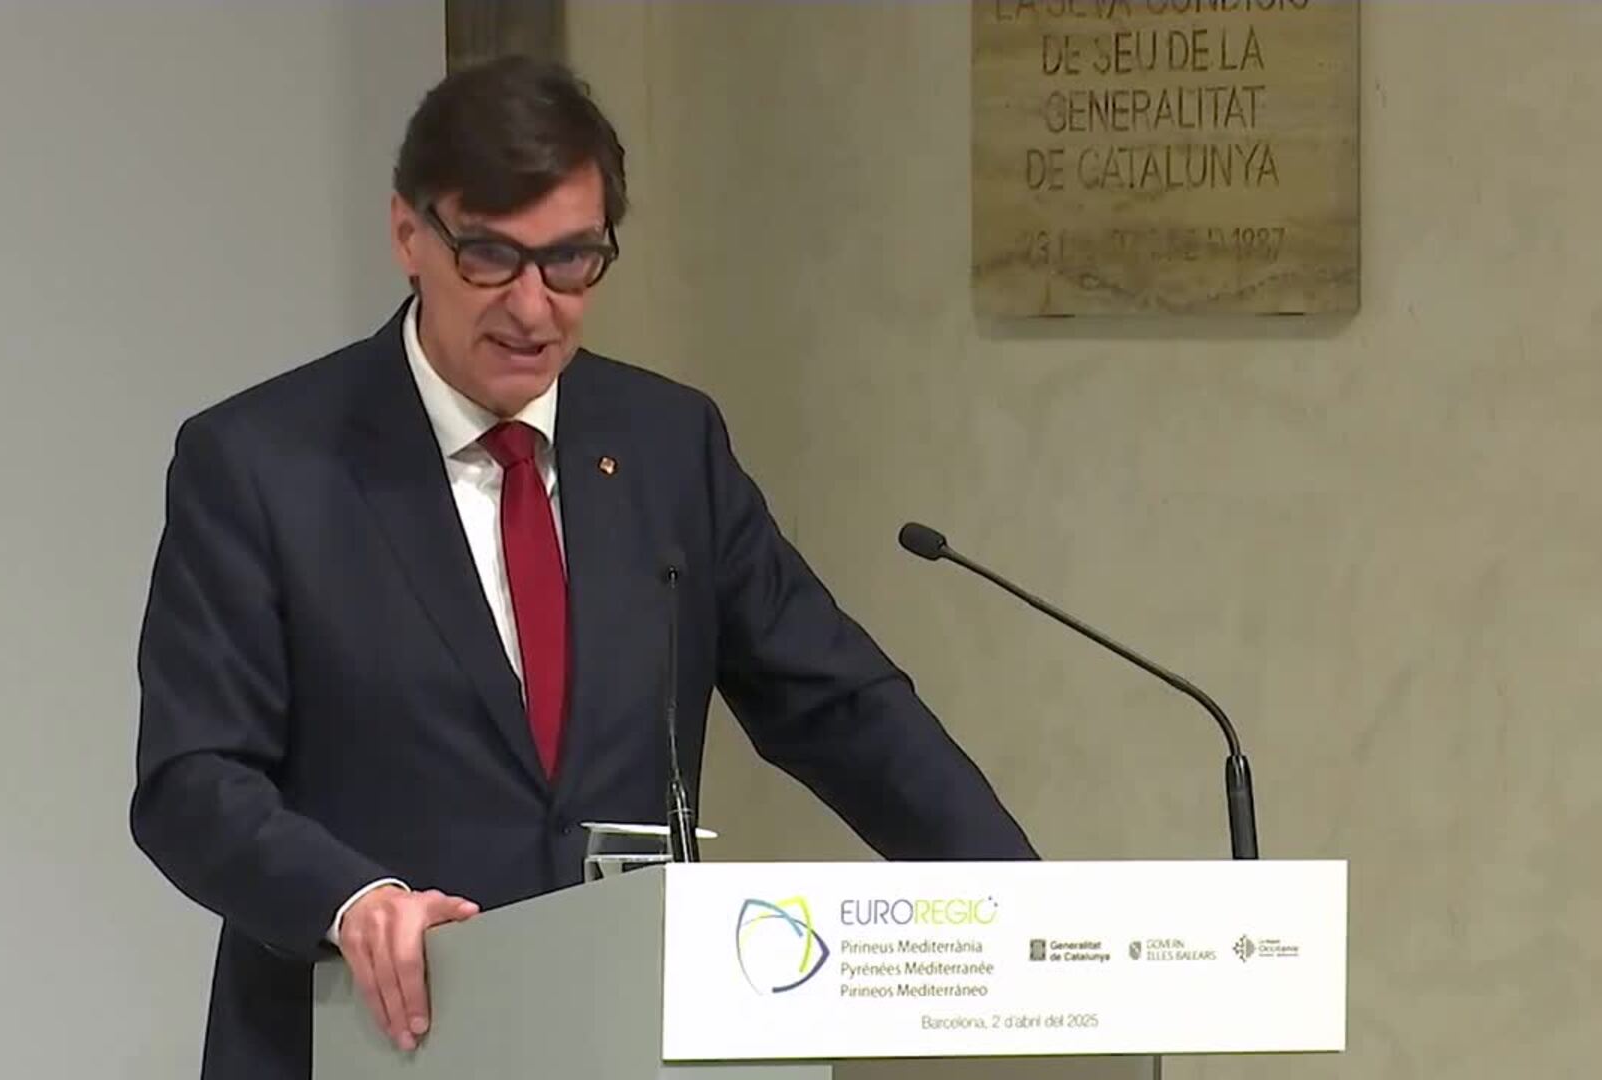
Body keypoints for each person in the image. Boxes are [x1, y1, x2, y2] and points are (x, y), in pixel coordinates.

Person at [128, 54, 1035, 1080]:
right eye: (490, 258)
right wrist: (351, 901)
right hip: (368, 1047)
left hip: (620, 1041)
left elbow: (838, 705)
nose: (533, 307)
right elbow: (192, 780)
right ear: (408, 235)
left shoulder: (668, 446)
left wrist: (1031, 909)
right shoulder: (263, 463)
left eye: (571, 262)